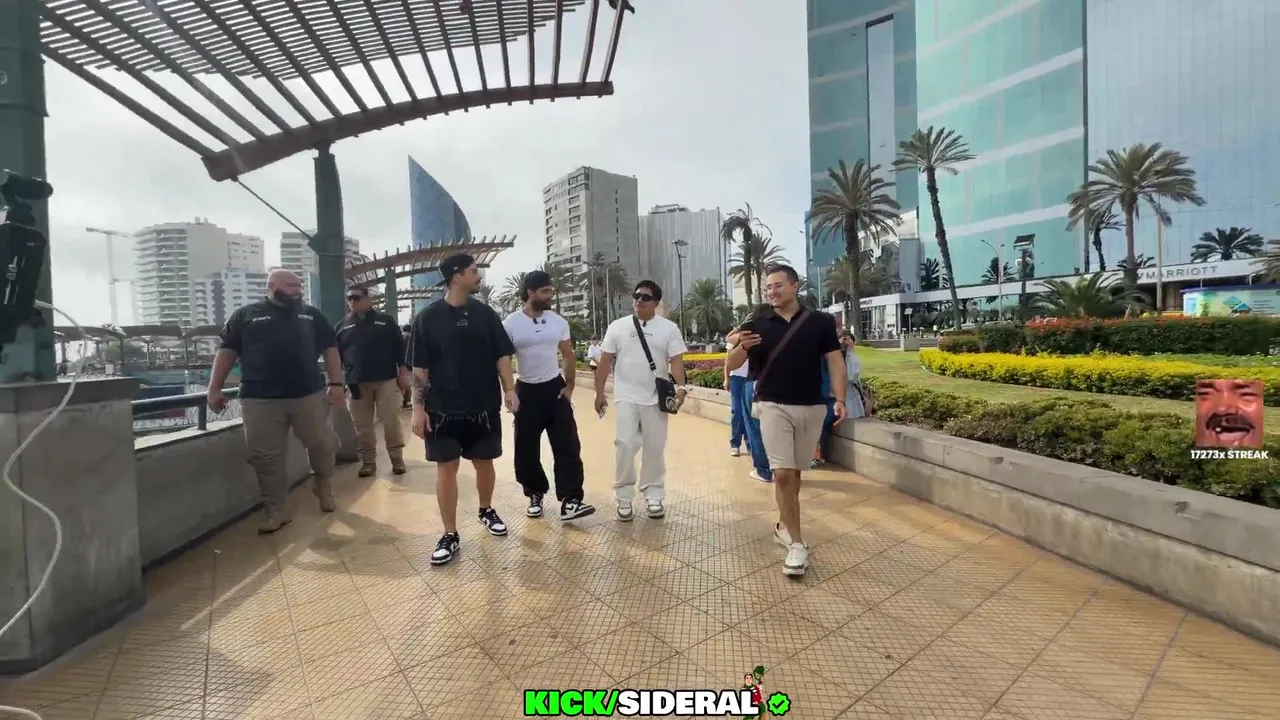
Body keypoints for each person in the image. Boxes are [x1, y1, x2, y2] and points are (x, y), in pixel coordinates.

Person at [727, 265, 846, 576]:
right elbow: (732, 362)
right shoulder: (757, 321)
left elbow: (835, 360)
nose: (772, 292)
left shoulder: (820, 322)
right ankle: (796, 544)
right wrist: (743, 346)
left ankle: (783, 525)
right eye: (768, 287)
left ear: (795, 286)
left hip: (811, 406)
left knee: (794, 475)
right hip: (771, 403)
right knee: (781, 474)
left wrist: (840, 399)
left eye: (778, 285)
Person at [208, 269, 344, 534]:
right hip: (259, 398)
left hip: (307, 394)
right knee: (265, 457)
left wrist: (336, 383)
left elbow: (331, 349)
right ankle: (277, 510)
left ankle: (322, 484)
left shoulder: (311, 315)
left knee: (323, 444)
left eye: (299, 285)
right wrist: (214, 388)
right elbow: (226, 352)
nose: (297, 290)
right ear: (271, 286)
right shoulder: (246, 315)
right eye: (291, 285)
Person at [409, 253, 518, 565]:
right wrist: (418, 408)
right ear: (456, 276)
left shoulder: (485, 315)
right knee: (447, 467)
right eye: (473, 271)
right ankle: (450, 533)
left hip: (483, 405)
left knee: (485, 461)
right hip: (442, 409)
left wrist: (510, 389)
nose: (478, 275)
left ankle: (486, 509)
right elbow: (420, 368)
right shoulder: (427, 318)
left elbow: (502, 355)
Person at [503, 271, 596, 521]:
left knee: (568, 446)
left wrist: (570, 386)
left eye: (551, 291)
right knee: (526, 449)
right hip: (526, 391)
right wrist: (509, 390)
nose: (550, 296)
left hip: (555, 389)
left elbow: (568, 353)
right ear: (530, 292)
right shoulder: (511, 323)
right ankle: (535, 493)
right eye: (545, 292)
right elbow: (504, 359)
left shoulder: (557, 322)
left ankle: (571, 500)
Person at [593, 280, 688, 521]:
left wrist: (681, 388)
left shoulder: (669, 329)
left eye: (645, 297)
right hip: (625, 396)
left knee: (655, 447)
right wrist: (599, 392)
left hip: (656, 398)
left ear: (655, 303)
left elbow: (676, 362)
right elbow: (605, 361)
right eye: (636, 296)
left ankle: (654, 494)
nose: (639, 301)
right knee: (625, 444)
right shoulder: (618, 327)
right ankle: (624, 497)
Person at [335, 286, 411, 477]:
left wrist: (403, 372)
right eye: (349, 298)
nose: (352, 301)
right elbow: (337, 357)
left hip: (385, 378)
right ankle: (368, 461)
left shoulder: (385, 321)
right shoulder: (342, 326)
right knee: (361, 425)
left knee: (390, 420)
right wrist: (338, 382)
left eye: (357, 297)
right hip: (356, 382)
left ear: (369, 299)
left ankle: (396, 458)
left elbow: (399, 348)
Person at [724, 329, 773, 484]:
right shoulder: (741, 336)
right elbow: (728, 354)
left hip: (754, 380)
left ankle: (754, 450)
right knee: (738, 412)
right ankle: (735, 443)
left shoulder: (760, 334)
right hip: (738, 379)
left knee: (753, 419)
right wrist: (726, 379)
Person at [813, 326, 866, 468]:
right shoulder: (823, 356)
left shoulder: (849, 357)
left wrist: (848, 352)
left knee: (823, 419)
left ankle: (818, 455)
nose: (841, 342)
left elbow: (851, 376)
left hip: (844, 401)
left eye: (844, 339)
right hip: (824, 399)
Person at [725, 351, 750, 457]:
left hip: (751, 377)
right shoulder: (733, 341)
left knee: (749, 412)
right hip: (736, 378)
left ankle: (750, 445)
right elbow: (728, 361)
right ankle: (735, 444)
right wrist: (726, 379)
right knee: (737, 410)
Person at [400, 324, 413, 409]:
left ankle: (404, 401)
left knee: (403, 383)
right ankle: (407, 401)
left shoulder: (401, 337)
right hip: (410, 362)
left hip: (401, 363)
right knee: (409, 383)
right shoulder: (411, 338)